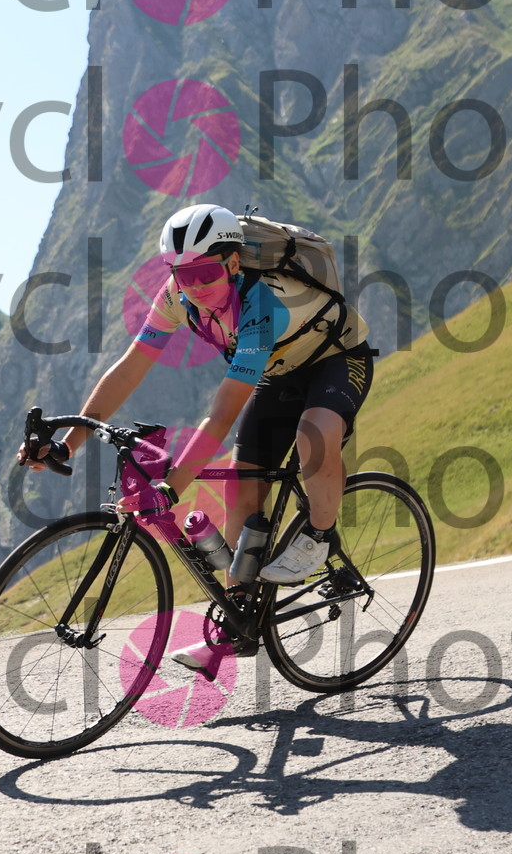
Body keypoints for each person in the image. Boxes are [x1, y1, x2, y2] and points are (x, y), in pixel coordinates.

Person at [19, 203, 375, 669]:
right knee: (241, 485)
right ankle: (236, 624)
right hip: (278, 372)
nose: (195, 286)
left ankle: (320, 535)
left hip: (336, 358)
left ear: (233, 262)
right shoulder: (177, 296)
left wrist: (171, 489)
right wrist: (69, 443)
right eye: (182, 275)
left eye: (205, 273)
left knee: (315, 433)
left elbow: (222, 414)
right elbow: (128, 370)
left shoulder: (261, 303)